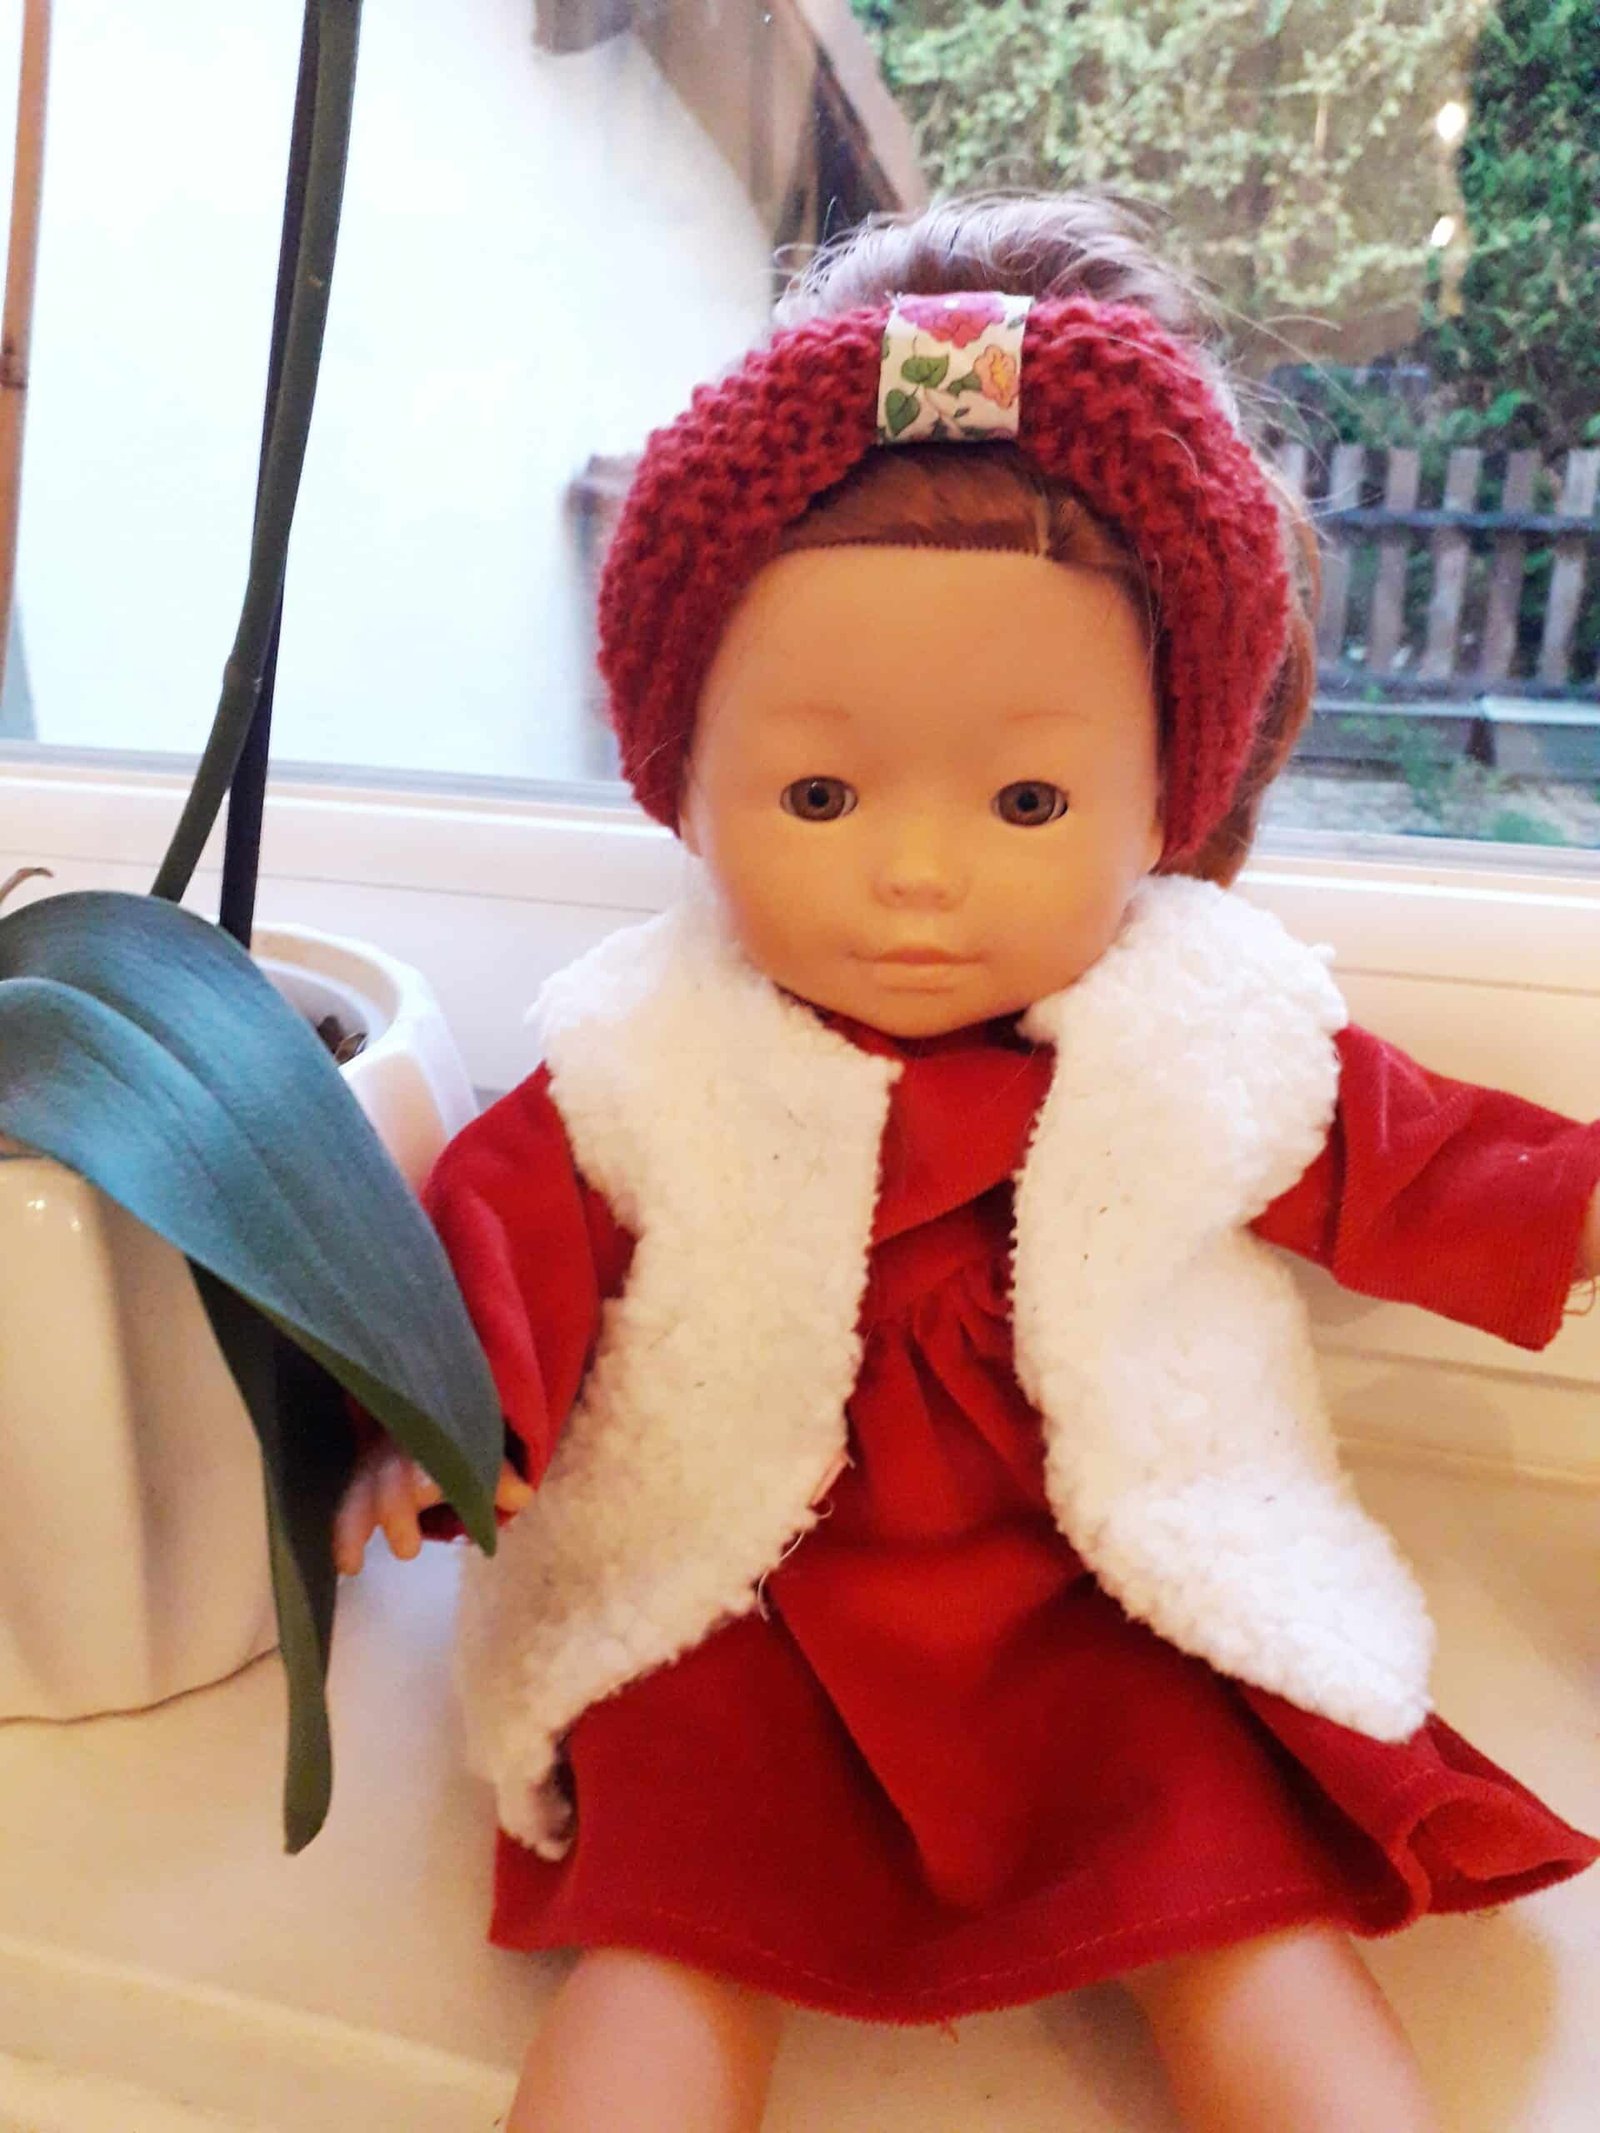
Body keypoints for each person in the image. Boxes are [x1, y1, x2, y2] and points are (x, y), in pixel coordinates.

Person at [333, 195, 1600, 2132]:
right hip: (744, 1601)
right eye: (818, 790)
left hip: (1096, 1592)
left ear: (1167, 792)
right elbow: (506, 1239)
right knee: (673, 1940)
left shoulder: (1203, 1031)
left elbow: (1422, 1161)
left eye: (1026, 795)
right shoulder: (651, 1050)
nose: (917, 872)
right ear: (684, 775)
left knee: (1238, 1916)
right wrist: (444, 1425)